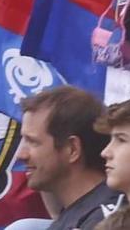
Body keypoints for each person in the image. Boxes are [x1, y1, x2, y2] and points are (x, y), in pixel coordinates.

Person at [20, 86, 116, 230]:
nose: (21, 155)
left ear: (72, 149)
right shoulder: (79, 216)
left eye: (33, 142)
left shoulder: (107, 221)